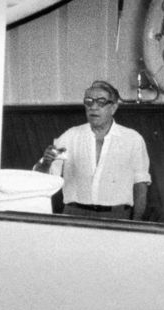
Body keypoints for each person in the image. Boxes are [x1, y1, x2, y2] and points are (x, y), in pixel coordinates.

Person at [34, 80, 151, 220]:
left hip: (118, 216)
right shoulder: (70, 136)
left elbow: (140, 185)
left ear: (113, 107)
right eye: (88, 101)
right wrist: (46, 162)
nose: (93, 107)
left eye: (101, 102)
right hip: (75, 215)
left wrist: (136, 224)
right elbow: (42, 178)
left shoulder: (132, 139)